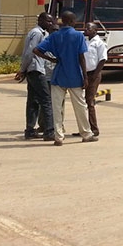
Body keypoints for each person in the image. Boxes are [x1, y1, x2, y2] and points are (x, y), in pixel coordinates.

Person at [33, 11, 98, 146]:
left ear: (62, 21)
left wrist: (51, 58)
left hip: (59, 75)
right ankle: (86, 133)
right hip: (74, 75)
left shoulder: (55, 36)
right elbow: (81, 57)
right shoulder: (78, 36)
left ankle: (59, 136)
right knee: (80, 106)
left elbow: (37, 50)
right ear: (73, 21)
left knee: (57, 107)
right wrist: (85, 77)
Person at [15, 12, 55, 140]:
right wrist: (22, 70)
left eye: (51, 21)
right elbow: (30, 52)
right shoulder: (37, 33)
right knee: (46, 100)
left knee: (33, 101)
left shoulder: (39, 33)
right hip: (37, 70)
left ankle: (30, 130)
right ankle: (49, 131)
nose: (50, 24)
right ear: (41, 20)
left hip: (33, 70)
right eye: (48, 21)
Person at [83, 22, 107, 137]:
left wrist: (94, 75)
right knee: (82, 102)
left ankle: (94, 128)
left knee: (90, 101)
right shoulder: (85, 41)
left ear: (95, 30)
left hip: (93, 75)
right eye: (86, 28)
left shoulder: (99, 43)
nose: (86, 30)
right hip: (84, 74)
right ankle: (84, 127)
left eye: (89, 28)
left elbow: (102, 60)